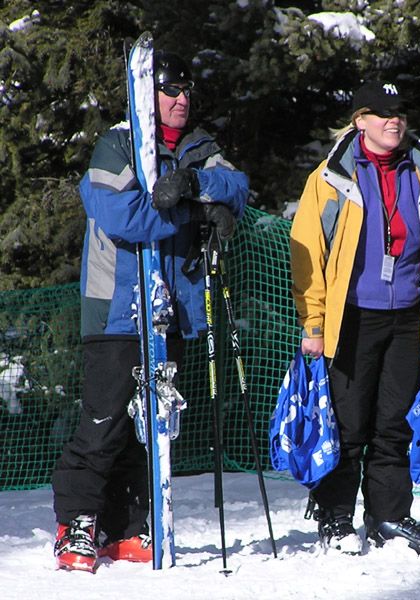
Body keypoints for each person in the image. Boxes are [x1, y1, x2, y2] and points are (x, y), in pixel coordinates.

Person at [51, 49, 249, 572]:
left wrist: (196, 185)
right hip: (118, 310)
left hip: (174, 311)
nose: (181, 99)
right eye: (170, 90)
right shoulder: (117, 144)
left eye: (186, 91)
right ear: (147, 95)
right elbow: (123, 215)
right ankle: (77, 525)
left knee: (152, 426)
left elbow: (237, 184)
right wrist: (193, 212)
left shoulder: (197, 147)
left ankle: (128, 526)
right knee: (105, 422)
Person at [290, 81, 420, 555]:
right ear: (359, 120)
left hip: (409, 317)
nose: (394, 121)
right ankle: (335, 516)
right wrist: (315, 323)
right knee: (348, 422)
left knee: (394, 423)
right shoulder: (329, 178)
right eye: (383, 113)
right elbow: (308, 256)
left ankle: (388, 515)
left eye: (400, 113)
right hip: (352, 319)